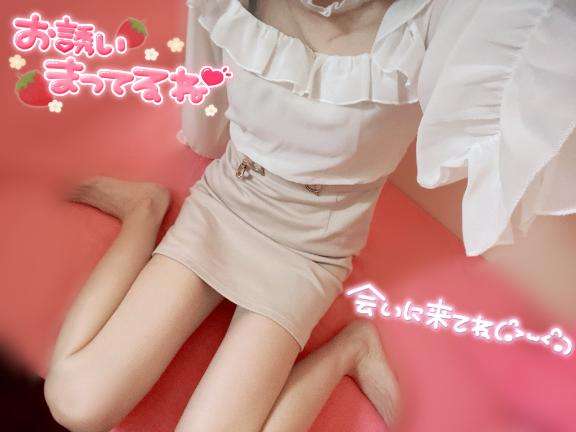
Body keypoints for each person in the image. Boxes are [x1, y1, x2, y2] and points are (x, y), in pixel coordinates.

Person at [43, 0, 576, 431]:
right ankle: (144, 209)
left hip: (309, 251)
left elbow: (539, 45)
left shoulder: (437, 21)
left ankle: (351, 350)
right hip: (228, 202)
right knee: (75, 403)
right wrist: (201, 140)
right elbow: (208, 80)